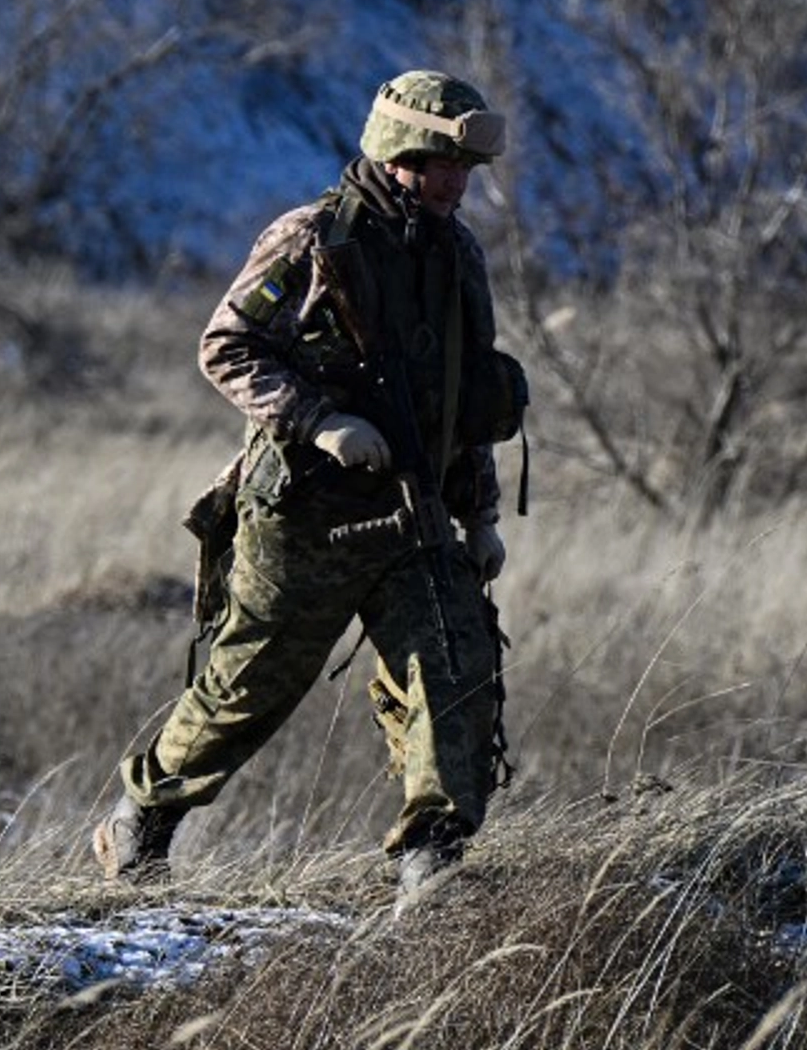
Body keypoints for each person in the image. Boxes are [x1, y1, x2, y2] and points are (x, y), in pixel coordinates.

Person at [93, 70, 527, 906]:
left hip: (414, 514)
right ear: (401, 154)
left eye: (466, 169)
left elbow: (463, 397)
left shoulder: (457, 253)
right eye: (445, 164)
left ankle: (430, 866)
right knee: (247, 689)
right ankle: (141, 819)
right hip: (305, 516)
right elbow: (226, 345)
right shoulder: (314, 237)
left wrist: (480, 515)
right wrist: (319, 419)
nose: (458, 183)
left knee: (453, 674)